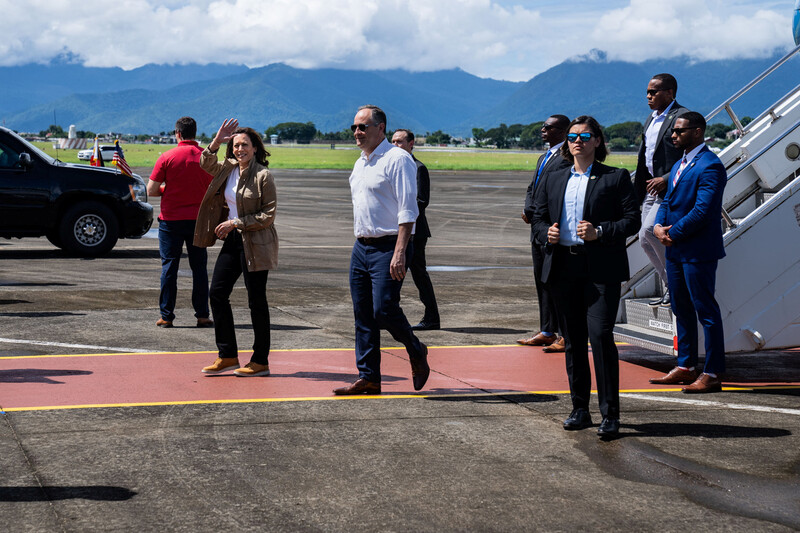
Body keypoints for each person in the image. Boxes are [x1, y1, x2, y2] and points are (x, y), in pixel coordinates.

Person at [532, 115, 641, 438]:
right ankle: (580, 408)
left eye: (585, 135)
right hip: (563, 266)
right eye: (572, 136)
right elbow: (538, 217)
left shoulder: (615, 177)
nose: (577, 141)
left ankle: (610, 414)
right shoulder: (554, 178)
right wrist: (545, 233)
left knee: (601, 337)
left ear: (597, 141)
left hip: (599, 270)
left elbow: (632, 220)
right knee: (573, 342)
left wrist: (601, 231)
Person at [334, 105, 430, 395]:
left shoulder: (397, 159)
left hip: (390, 245)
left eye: (363, 126)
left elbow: (408, 209)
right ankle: (369, 377)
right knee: (362, 314)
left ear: (381, 128)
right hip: (361, 246)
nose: (357, 132)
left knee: (383, 309)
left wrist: (401, 251)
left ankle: (415, 349)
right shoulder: (360, 163)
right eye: (354, 127)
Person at [194, 119, 278, 377]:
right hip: (232, 241)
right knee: (217, 294)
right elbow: (205, 162)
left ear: (255, 149)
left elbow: (268, 215)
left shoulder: (263, 175)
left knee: (256, 301)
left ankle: (260, 360)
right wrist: (218, 139)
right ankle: (228, 355)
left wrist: (235, 222)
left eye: (244, 145)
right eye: (236, 145)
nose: (239, 149)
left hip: (256, 242)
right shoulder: (227, 169)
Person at [651, 112, 727, 393]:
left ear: (697, 133)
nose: (673, 135)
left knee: (706, 311)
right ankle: (685, 366)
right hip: (675, 249)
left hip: (697, 250)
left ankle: (714, 371)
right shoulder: (681, 163)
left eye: (680, 131)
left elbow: (703, 211)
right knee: (680, 307)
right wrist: (658, 226)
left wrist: (672, 233)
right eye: (673, 131)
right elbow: (667, 199)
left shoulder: (710, 166)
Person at [147, 116, 214, 329]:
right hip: (198, 220)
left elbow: (152, 190)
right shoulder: (206, 157)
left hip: (171, 221)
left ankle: (167, 315)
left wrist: (170, 189)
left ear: (177, 133)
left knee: (169, 268)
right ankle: (202, 315)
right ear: (195, 132)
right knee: (199, 269)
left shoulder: (167, 157)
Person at [635, 74, 689, 308]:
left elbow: (689, 156)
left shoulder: (682, 117)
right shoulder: (651, 118)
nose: (648, 96)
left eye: (653, 92)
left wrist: (665, 179)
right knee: (643, 239)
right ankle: (671, 285)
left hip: (669, 188)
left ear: (670, 93)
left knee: (650, 230)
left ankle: (678, 286)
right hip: (649, 188)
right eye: (647, 92)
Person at [518, 115, 570, 352]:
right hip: (536, 226)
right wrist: (528, 210)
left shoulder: (566, 157)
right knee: (542, 281)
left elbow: (558, 192)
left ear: (562, 131)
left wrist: (543, 215)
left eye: (548, 127)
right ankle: (547, 330)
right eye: (543, 126)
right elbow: (533, 187)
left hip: (551, 227)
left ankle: (565, 334)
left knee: (557, 281)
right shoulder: (544, 156)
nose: (542, 130)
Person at [391, 128, 440, 330]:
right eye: (393, 142)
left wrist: (398, 212)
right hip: (396, 230)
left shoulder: (418, 167)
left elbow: (421, 201)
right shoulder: (394, 166)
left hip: (415, 232)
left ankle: (432, 318)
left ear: (411, 144)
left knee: (419, 275)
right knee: (394, 275)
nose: (395, 146)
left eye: (400, 142)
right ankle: (389, 314)